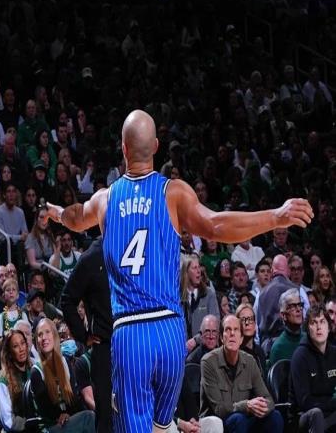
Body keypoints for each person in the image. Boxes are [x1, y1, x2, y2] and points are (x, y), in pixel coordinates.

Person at [45, 109, 313, 432]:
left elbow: (75, 218)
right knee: (163, 426)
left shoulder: (105, 199)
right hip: (170, 332)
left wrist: (56, 213)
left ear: (124, 149)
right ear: (157, 146)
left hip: (130, 333)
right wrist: (275, 216)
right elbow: (215, 225)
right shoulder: (172, 192)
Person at [60, 236, 113, 433]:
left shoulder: (130, 243)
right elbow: (67, 300)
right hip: (105, 346)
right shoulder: (91, 257)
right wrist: (83, 336)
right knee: (107, 416)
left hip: (133, 343)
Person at [200, 315, 283, 432]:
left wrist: (261, 407)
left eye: (236, 330)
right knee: (238, 419)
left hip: (242, 420)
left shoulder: (250, 361)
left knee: (275, 417)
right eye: (228, 329)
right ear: (221, 338)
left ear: (241, 339)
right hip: (217, 423)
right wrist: (247, 405)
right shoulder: (208, 362)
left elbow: (269, 400)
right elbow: (219, 409)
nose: (232, 333)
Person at [30, 318, 95, 432]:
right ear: (37, 341)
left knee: (93, 416)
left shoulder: (65, 362)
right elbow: (45, 409)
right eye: (40, 335)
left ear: (55, 336)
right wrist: (60, 415)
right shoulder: (36, 372)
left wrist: (69, 414)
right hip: (49, 426)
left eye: (47, 332)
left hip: (67, 421)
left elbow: (74, 399)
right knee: (88, 418)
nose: (44, 337)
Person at [290, 304, 336, 432]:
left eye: (322, 322)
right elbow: (305, 402)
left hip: (330, 412)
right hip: (304, 415)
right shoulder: (300, 356)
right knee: (316, 414)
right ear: (307, 328)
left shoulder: (334, 353)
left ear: (329, 327)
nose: (319, 327)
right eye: (313, 323)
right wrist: (332, 403)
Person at [0, 329, 34, 432]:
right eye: (15, 346)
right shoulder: (3, 380)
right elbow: (8, 421)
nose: (21, 349)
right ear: (9, 352)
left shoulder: (34, 368)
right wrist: (29, 425)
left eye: (23, 343)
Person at [269, 288, 304, 367]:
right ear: (283, 315)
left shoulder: (308, 339)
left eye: (299, 305)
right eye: (293, 306)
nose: (298, 309)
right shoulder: (278, 348)